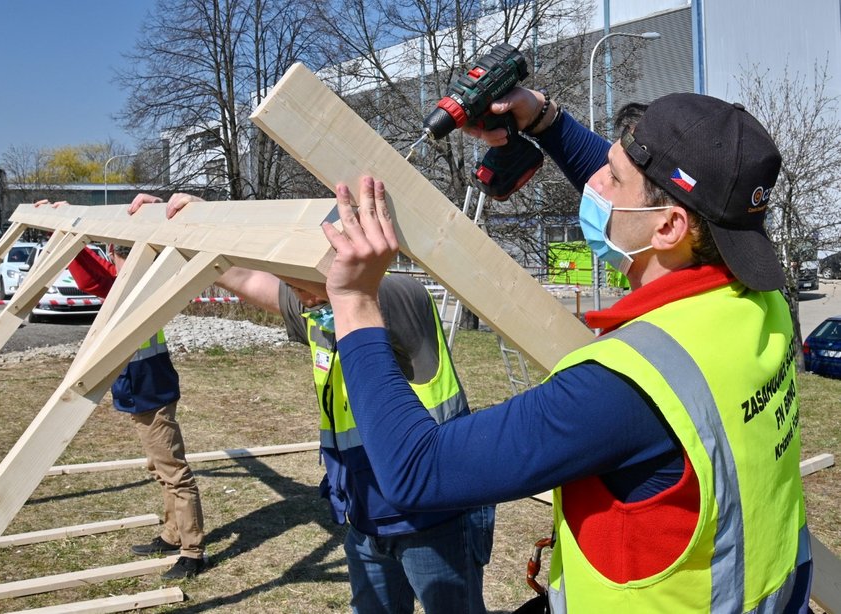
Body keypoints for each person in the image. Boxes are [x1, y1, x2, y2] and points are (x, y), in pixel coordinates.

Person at [317, 88, 812, 612]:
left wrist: (355, 302)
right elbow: (653, 194)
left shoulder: (624, 387)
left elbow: (417, 472)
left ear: (669, 227)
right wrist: (544, 120)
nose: (594, 182)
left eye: (612, 177)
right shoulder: (761, 301)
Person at [128, 191, 495, 613]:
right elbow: (247, 278)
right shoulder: (317, 309)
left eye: (304, 284)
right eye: (292, 286)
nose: (301, 299)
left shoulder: (397, 297)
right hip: (366, 513)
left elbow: (355, 285)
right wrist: (194, 227)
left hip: (435, 513)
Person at [33, 200, 207, 581]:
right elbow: (96, 278)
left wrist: (67, 235)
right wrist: (65, 231)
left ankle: (193, 551)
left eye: (120, 254)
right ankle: (172, 534)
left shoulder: (140, 285)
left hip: (152, 390)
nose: (117, 262)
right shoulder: (127, 282)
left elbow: (96, 280)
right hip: (139, 389)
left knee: (174, 472)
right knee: (159, 468)